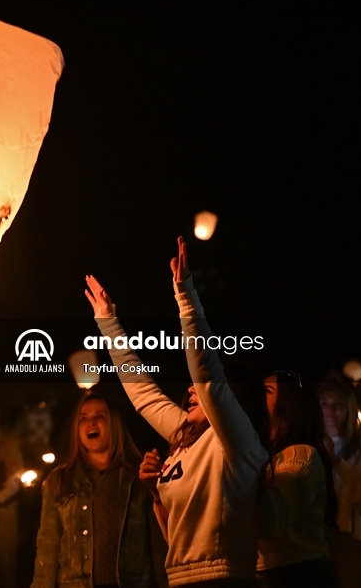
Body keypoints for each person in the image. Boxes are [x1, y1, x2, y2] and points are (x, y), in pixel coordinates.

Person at [85, 237, 270, 587]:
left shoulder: (236, 441)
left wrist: (186, 296)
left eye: (200, 390)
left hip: (223, 578)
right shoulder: (185, 438)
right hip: (180, 579)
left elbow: (207, 377)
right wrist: (108, 324)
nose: (190, 390)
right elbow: (144, 395)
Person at [32, 390, 168, 588]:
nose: (91, 423)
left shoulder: (138, 478)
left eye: (99, 417)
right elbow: (48, 546)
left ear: (114, 423)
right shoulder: (60, 480)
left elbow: (158, 544)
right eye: (83, 418)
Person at [256, 372, 339, 587]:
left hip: (300, 575)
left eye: (266, 391)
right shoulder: (264, 457)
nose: (255, 394)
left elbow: (268, 518)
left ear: (287, 411)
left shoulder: (301, 456)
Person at [317, 382, 361, 588]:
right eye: (324, 403)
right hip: (315, 540)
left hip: (352, 542)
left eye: (338, 404)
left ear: (349, 408)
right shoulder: (308, 444)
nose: (330, 410)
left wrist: (337, 463)